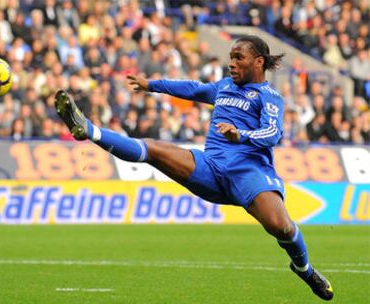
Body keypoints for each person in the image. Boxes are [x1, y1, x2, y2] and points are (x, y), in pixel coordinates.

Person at [54, 35, 333, 301]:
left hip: (249, 173)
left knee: (281, 228)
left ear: (258, 62)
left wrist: (241, 135)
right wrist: (151, 84)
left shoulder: (269, 96)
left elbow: (273, 134)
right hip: (210, 167)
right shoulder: (224, 87)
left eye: (239, 58)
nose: (231, 63)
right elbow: (192, 88)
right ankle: (89, 129)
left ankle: (303, 269)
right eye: (230, 58)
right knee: (154, 150)